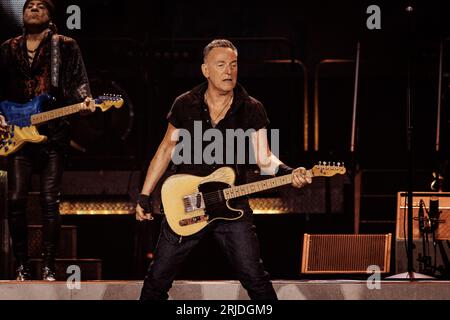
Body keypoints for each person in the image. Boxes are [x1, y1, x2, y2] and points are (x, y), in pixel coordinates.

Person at [136, 39, 312, 300]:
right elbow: (165, 150)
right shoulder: (185, 103)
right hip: (186, 202)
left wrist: (289, 173)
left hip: (233, 204)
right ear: (206, 70)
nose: (229, 71)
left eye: (233, 65)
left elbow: (264, 159)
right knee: (156, 280)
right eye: (221, 65)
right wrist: (144, 195)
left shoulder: (252, 108)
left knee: (255, 278)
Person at [0, 0, 94, 281]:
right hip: (17, 132)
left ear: (50, 16)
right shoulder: (8, 48)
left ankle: (49, 265)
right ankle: (22, 264)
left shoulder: (64, 45)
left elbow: (78, 81)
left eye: (41, 5)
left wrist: (85, 101)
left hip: (54, 133)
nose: (34, 8)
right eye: (29, 5)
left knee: (49, 199)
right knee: (15, 199)